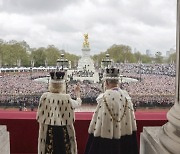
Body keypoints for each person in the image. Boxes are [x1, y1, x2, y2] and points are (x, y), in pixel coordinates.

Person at [84, 67, 138, 154]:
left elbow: (100, 125)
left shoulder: (104, 99)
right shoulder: (126, 98)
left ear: (106, 82)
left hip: (107, 142)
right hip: (125, 140)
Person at [36, 71, 81, 154]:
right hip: (63, 131)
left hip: (48, 131)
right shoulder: (66, 98)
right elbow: (78, 104)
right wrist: (78, 94)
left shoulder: (44, 97)